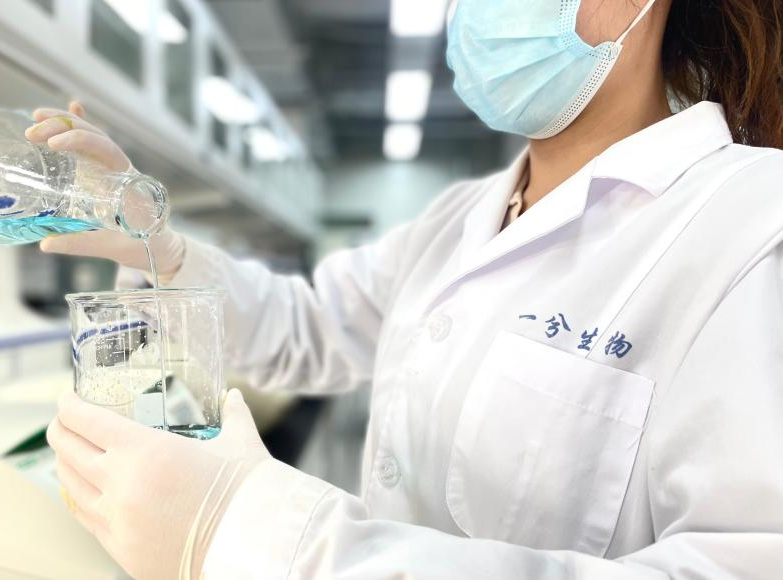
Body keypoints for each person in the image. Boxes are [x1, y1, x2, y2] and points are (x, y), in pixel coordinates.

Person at [41, 0, 783, 578]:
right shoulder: (454, 218)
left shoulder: (754, 224)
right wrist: (161, 249)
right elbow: (308, 326)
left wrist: (261, 541)